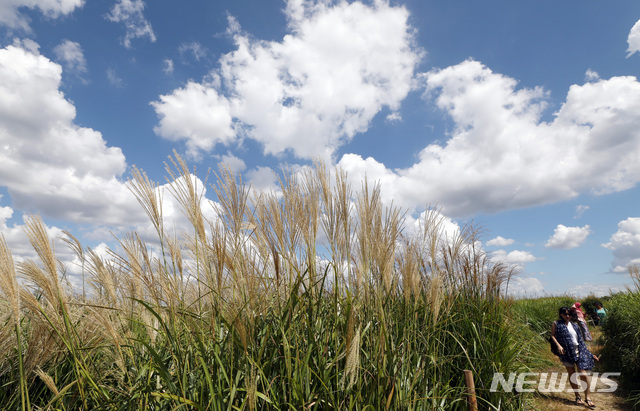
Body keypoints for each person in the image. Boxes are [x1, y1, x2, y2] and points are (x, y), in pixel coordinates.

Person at [550, 307, 599, 408]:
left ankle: (587, 397)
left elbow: (581, 341)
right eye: (565, 314)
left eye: (569, 314)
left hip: (578, 351)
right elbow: (552, 336)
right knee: (572, 374)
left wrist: (590, 354)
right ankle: (577, 396)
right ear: (560, 314)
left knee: (583, 374)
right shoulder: (556, 324)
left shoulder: (575, 325)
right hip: (566, 352)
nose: (567, 316)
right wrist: (559, 346)